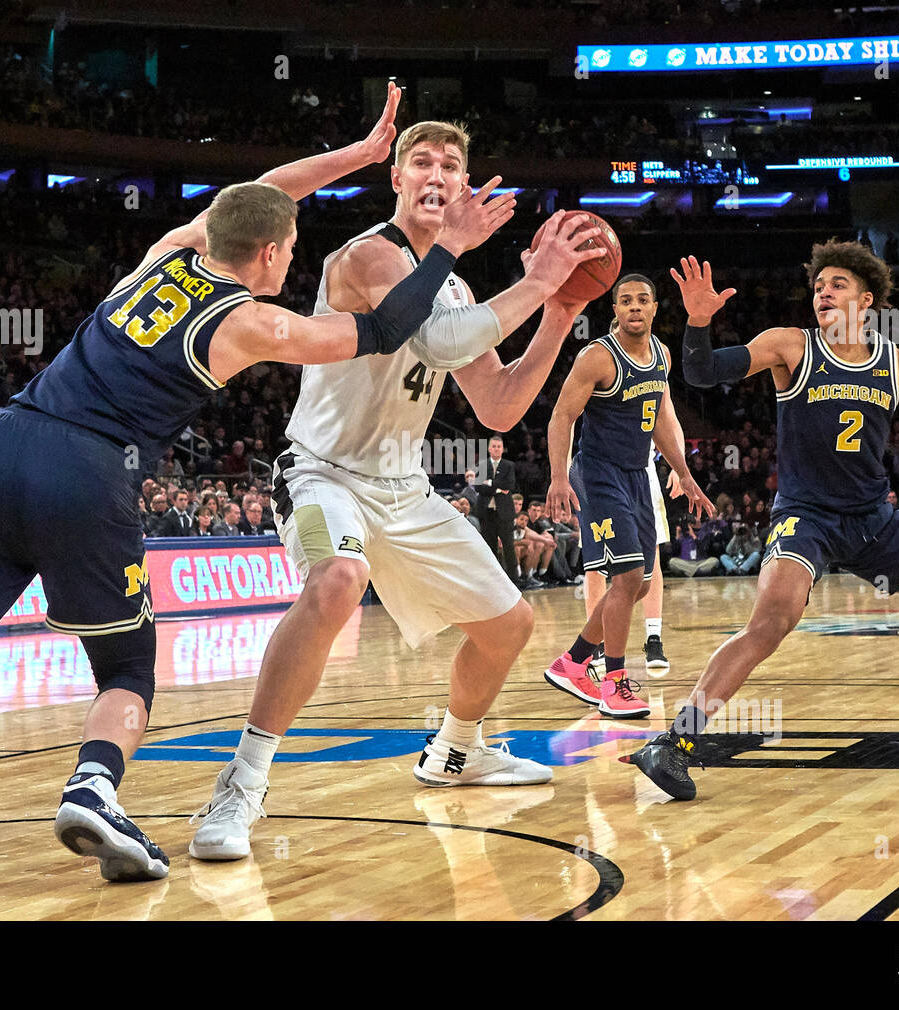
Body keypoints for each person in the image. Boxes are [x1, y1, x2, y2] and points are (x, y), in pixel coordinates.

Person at [0, 83, 509, 882]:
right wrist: (448, 251)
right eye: (291, 248)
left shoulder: (162, 254)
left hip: (2, 445)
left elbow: (257, 200)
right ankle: (94, 788)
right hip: (89, 473)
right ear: (271, 255)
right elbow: (381, 328)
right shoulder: (254, 323)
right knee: (126, 672)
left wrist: (358, 156)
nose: (294, 256)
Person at [186, 117, 603, 864]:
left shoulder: (459, 285)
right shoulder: (364, 255)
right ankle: (240, 785)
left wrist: (557, 316)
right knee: (338, 578)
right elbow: (440, 343)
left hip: (404, 488)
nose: (437, 173)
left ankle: (458, 750)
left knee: (509, 626)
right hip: (320, 473)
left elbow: (500, 406)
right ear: (399, 181)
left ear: (465, 186)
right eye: (422, 162)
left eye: (451, 164)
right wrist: (537, 281)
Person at [632, 246, 899, 801]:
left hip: (875, 521)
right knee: (771, 621)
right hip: (807, 518)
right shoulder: (790, 346)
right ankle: (675, 743)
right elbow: (700, 371)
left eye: (837, 284)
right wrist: (697, 321)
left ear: (865, 301)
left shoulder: (896, 364)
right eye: (819, 285)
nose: (823, 292)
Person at [544, 274, 713, 718]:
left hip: (638, 475)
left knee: (637, 584)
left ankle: (573, 661)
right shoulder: (597, 357)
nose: (634, 307)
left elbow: (656, 417)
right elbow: (562, 416)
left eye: (643, 299)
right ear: (614, 310)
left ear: (655, 307)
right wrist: (559, 477)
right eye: (625, 301)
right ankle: (614, 682)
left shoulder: (661, 355)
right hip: (598, 476)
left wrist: (684, 473)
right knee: (627, 577)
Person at [474, 434, 522, 587]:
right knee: (489, 547)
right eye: (493, 446)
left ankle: (514, 581)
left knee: (509, 546)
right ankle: (492, 582)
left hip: (504, 513)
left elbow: (510, 485)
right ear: (489, 448)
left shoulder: (509, 465)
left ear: (503, 449)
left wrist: (490, 483)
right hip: (486, 512)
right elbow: (478, 487)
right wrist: (498, 489)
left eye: (499, 447)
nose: (496, 449)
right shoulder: (481, 464)